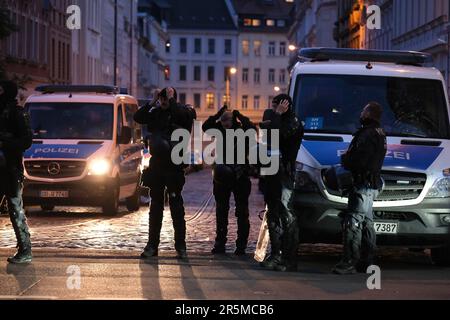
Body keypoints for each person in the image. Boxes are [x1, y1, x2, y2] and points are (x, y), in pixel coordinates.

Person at [134, 87, 195, 259]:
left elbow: (184, 118)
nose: (164, 101)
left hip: (174, 167)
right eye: (162, 98)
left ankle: (181, 246)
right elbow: (138, 118)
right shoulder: (156, 113)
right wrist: (152, 102)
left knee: (176, 207)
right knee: (155, 208)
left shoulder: (183, 112)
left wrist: (171, 100)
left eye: (166, 98)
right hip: (157, 167)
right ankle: (152, 246)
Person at [333, 101, 387, 275]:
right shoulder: (380, 133)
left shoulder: (367, 134)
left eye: (364, 111)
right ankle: (366, 261)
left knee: (353, 222)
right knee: (367, 223)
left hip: (362, 184)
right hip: (371, 185)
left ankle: (349, 262)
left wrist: (345, 159)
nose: (361, 113)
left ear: (369, 114)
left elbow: (359, 160)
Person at [202, 106, 256, 255]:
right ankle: (220, 244)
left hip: (240, 174)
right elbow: (206, 126)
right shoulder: (218, 130)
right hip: (222, 174)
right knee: (221, 210)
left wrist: (240, 115)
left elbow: (252, 129)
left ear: (234, 120)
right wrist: (218, 114)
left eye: (228, 120)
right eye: (223, 120)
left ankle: (241, 245)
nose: (225, 123)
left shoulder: (242, 130)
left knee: (242, 211)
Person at [259, 94, 303, 272]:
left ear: (285, 105)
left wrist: (276, 115)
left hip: (284, 174)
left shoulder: (292, 122)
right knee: (273, 215)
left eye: (276, 106)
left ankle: (288, 258)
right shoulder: (278, 120)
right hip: (272, 172)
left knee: (286, 215)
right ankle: (276, 254)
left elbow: (277, 137)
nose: (273, 110)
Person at [0, 80, 33, 264]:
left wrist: (5, 144)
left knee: (15, 209)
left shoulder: (17, 113)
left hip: (11, 168)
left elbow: (26, 140)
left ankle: (25, 249)